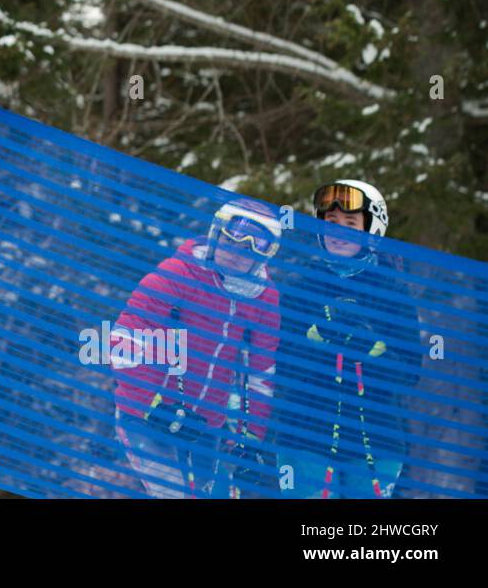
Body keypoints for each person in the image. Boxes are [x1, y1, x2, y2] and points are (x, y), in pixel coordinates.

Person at [112, 198, 282, 498]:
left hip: (206, 425)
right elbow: (127, 339)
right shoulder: (179, 272)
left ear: (264, 256)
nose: (237, 254)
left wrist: (250, 437)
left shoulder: (263, 297)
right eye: (230, 241)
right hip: (148, 414)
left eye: (251, 249)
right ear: (216, 235)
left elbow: (260, 371)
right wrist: (151, 406)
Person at [275, 180, 421, 498]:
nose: (338, 232)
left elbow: (409, 373)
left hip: (375, 441)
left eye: (350, 224)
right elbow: (279, 363)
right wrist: (319, 339)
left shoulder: (392, 292)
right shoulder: (301, 284)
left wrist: (370, 349)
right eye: (331, 223)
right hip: (304, 437)